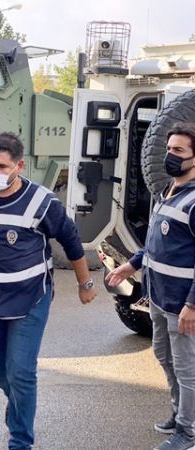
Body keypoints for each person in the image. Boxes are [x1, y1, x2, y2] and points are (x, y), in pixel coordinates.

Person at [0, 132, 96, 450]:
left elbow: (71, 240)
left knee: (21, 372)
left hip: (30, 298)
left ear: (19, 166)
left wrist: (85, 284)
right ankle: (19, 400)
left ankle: (20, 440)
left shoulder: (41, 202)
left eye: (1, 166)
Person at [107, 123, 195, 450]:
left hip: (182, 304)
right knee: (164, 356)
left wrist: (192, 305)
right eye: (169, 149)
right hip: (158, 298)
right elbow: (155, 244)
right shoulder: (166, 192)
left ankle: (187, 431)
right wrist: (132, 264)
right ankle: (179, 412)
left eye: (179, 151)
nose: (171, 156)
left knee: (187, 369)